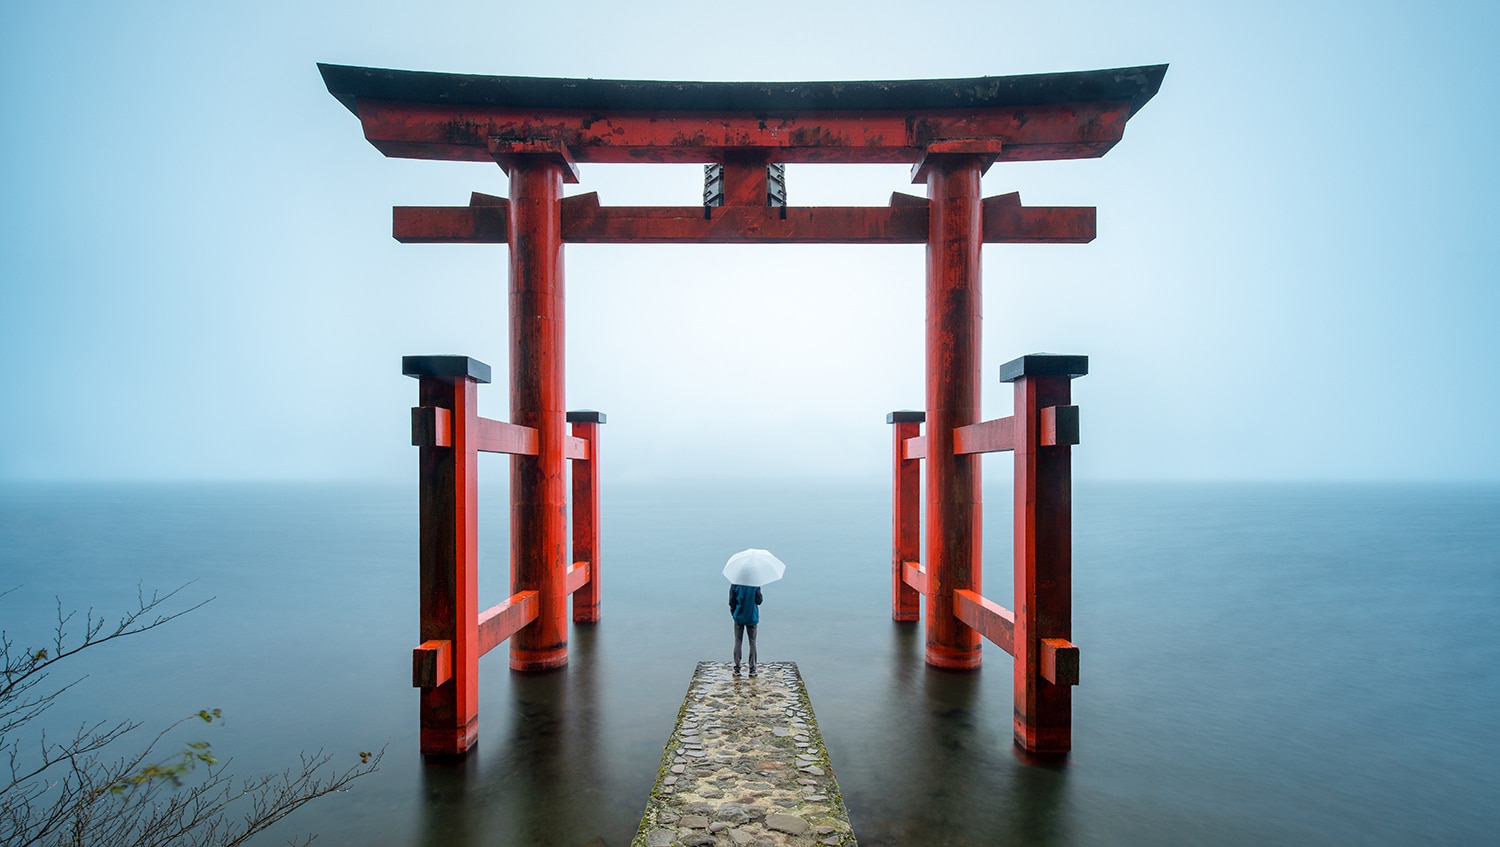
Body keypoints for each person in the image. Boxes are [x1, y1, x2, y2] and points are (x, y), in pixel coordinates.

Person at [728, 582, 762, 676]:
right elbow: (759, 601)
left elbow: (731, 601)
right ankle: (752, 669)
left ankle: (737, 668)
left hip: (739, 616)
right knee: (752, 642)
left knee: (738, 641)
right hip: (752, 616)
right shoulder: (755, 584)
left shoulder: (735, 584)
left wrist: (734, 613)